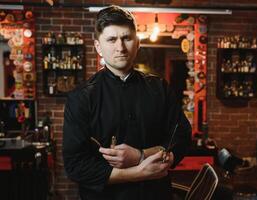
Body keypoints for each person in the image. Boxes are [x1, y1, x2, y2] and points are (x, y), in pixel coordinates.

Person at [63, 5, 191, 200]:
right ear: (98, 47)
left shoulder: (159, 88)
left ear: (138, 43)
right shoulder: (81, 97)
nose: (120, 47)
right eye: (111, 39)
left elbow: (181, 135)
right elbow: (76, 165)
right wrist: (137, 173)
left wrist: (141, 155)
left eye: (127, 38)